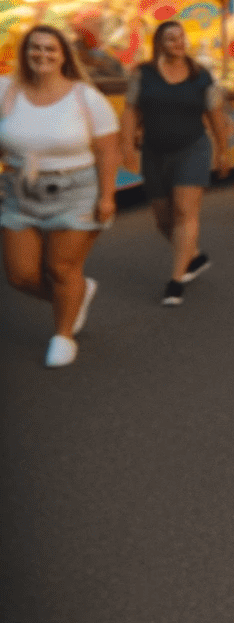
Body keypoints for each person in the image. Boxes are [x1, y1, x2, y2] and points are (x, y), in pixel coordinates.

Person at [0, 25, 119, 367]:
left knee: (61, 268)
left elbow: (108, 152)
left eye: (51, 49)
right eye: (35, 48)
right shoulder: (7, 91)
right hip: (19, 191)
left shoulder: (85, 97)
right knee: (20, 275)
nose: (42, 54)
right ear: (25, 53)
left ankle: (63, 335)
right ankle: (77, 294)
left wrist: (107, 197)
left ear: (64, 55)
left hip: (76, 190)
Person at [119, 21, 230, 306]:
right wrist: (127, 145)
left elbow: (215, 114)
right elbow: (130, 110)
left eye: (181, 38)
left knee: (184, 211)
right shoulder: (142, 74)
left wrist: (223, 150)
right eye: (170, 39)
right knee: (162, 219)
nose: (177, 43)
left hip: (192, 148)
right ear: (159, 43)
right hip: (154, 152)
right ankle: (192, 256)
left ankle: (175, 280)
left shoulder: (201, 76)